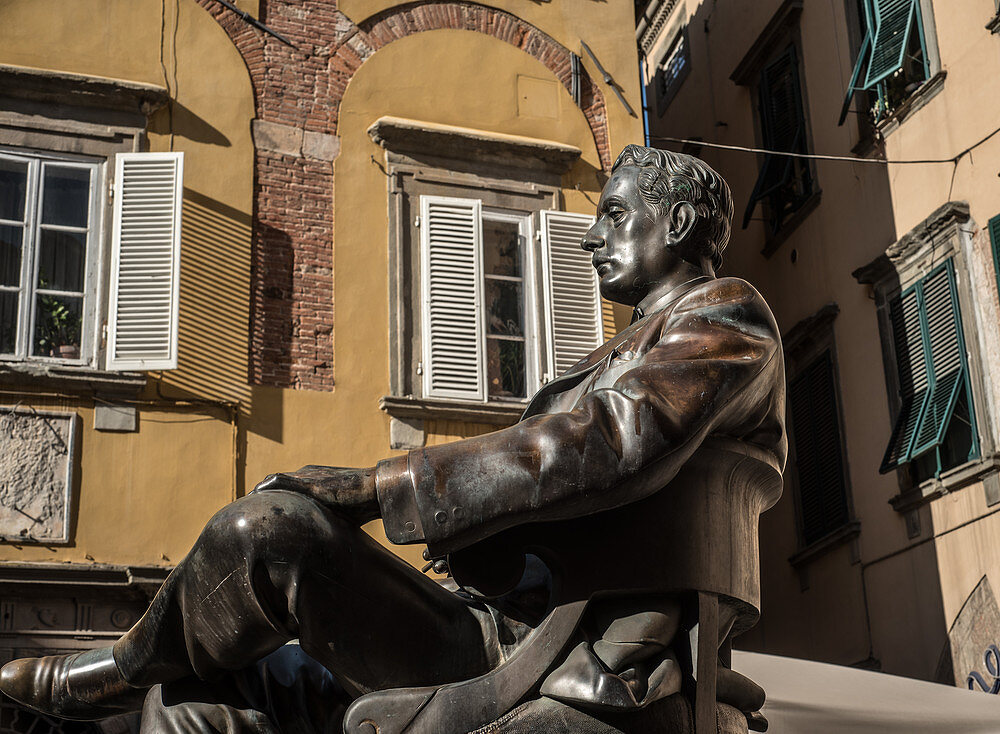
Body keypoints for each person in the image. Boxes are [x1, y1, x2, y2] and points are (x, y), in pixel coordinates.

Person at [0, 145, 785, 733]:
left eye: (614, 213)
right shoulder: (626, 347)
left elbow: (614, 437)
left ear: (677, 222)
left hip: (547, 656)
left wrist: (380, 486)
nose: (590, 237)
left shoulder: (723, 317)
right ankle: (146, 678)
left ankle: (118, 668)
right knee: (193, 704)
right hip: (493, 630)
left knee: (270, 533)